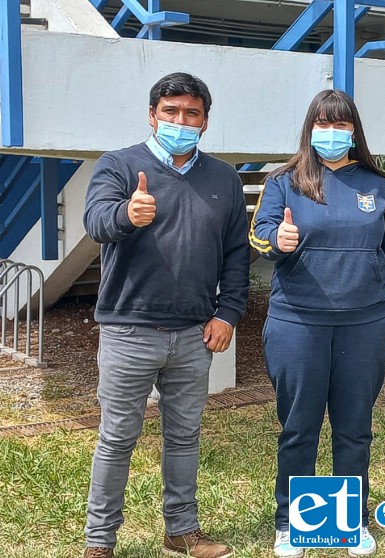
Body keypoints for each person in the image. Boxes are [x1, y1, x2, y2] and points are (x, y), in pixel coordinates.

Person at [82, 72, 250, 558]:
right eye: (171, 111)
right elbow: (95, 223)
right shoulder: (118, 165)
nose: (181, 121)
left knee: (184, 437)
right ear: (152, 115)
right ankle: (100, 543)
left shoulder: (223, 178)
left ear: (205, 121)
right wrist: (125, 215)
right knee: (116, 439)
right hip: (128, 329)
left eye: (191, 113)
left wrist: (229, 313)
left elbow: (236, 255)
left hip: (195, 334)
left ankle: (181, 531)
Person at [249, 89, 385, 558]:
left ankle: (350, 520)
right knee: (299, 426)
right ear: (310, 130)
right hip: (297, 324)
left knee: (353, 428)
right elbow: (259, 236)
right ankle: (291, 521)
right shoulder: (284, 181)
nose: (331, 133)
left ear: (353, 131)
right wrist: (277, 239)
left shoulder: (378, 186)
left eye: (340, 125)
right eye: (322, 125)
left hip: (365, 326)